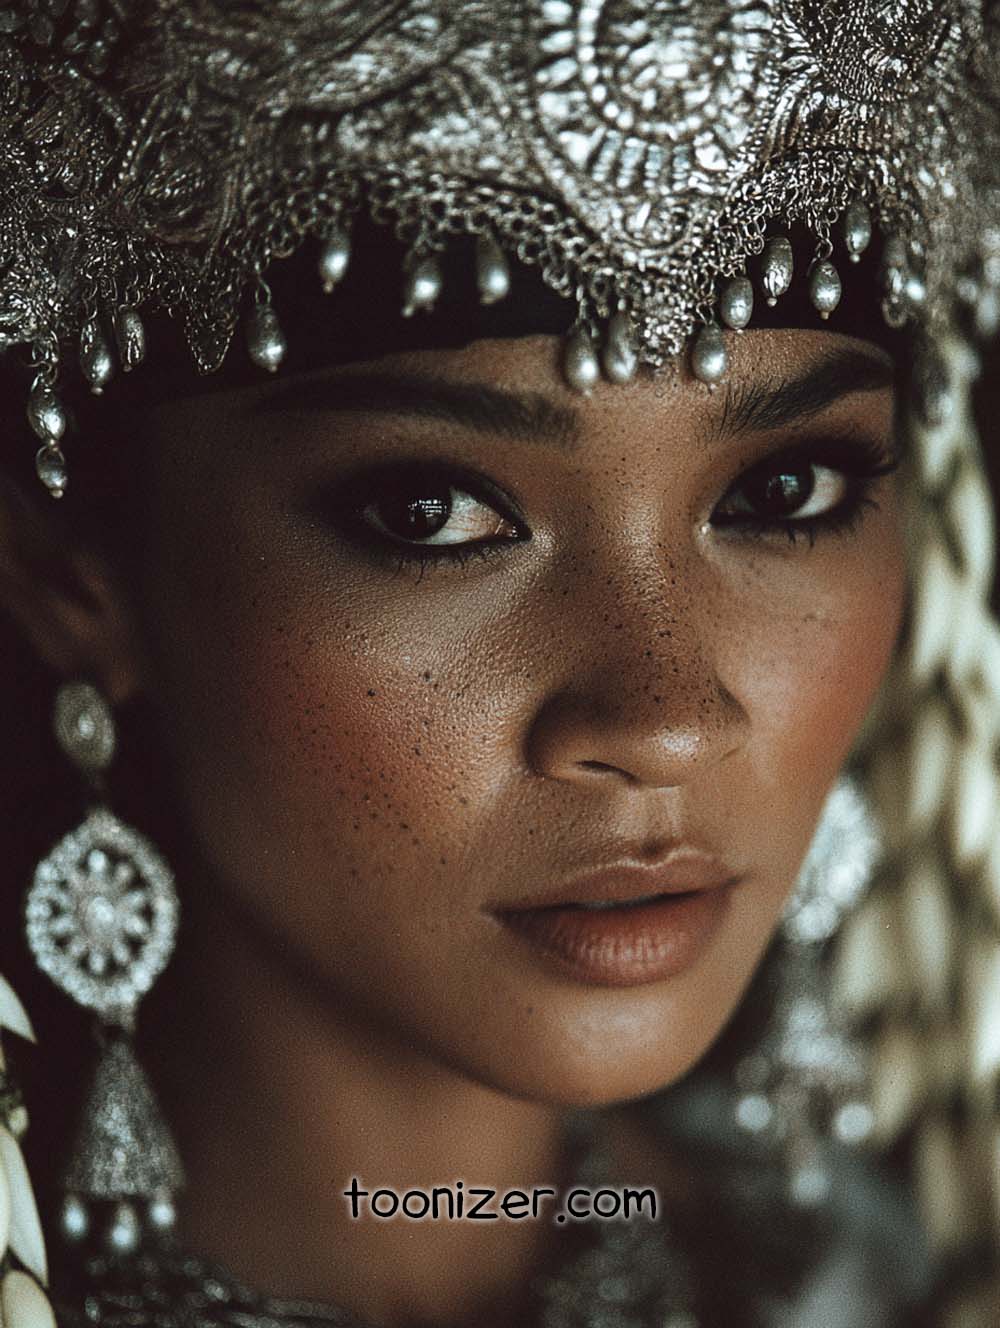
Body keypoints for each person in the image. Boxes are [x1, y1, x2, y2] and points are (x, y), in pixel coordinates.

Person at [0, 3, 998, 1325]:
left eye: (783, 492)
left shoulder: (882, 1280)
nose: (665, 722)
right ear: (73, 580)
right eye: (433, 515)